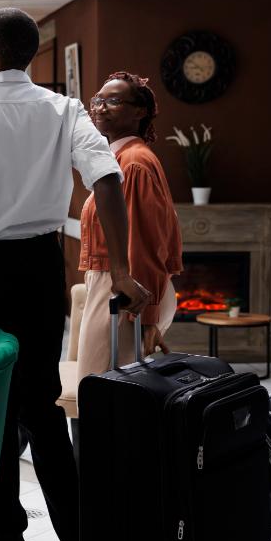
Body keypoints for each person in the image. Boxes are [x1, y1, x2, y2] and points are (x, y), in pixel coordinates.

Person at [0, 8, 149, 541]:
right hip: (40, 269)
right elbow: (107, 177)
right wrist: (121, 269)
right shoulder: (64, 108)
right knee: (44, 413)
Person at [77, 71, 182, 375]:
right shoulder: (118, 158)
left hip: (127, 293)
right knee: (104, 388)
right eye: (98, 100)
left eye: (113, 101)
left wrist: (148, 318)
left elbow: (147, 244)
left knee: (99, 387)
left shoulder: (134, 163)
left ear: (140, 112)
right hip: (115, 287)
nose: (101, 107)